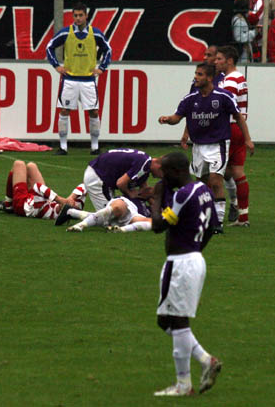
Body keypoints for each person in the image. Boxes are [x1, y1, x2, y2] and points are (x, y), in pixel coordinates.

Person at [150, 152, 222, 397]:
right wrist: (196, 250)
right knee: (165, 320)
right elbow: (212, 227)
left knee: (178, 321)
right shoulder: (203, 190)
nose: (162, 177)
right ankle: (206, 360)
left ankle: (183, 385)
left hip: (181, 264)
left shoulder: (183, 194)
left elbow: (158, 225)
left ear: (177, 171)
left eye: (165, 172)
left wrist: (156, 198)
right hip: (193, 260)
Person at [159, 62, 254, 233]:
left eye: (200, 74)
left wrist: (247, 139)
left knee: (216, 180)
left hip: (218, 145)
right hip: (198, 146)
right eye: (196, 73)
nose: (196, 77)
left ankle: (218, 223)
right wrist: (167, 119)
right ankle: (203, 217)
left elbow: (238, 117)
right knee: (201, 184)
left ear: (210, 78)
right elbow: (177, 117)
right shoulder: (189, 99)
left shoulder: (223, 96)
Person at [46, 2, 112, 155]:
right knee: (64, 111)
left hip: (88, 80)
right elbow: (49, 47)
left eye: (81, 15)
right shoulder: (65, 33)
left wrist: (102, 68)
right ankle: (63, 147)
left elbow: (108, 50)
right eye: (75, 15)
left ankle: (95, 146)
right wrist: (56, 66)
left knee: (93, 112)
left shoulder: (95, 33)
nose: (78, 18)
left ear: (86, 16)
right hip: (70, 79)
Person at [61, 148, 162, 216]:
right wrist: (130, 194)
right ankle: (71, 213)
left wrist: (156, 208)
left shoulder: (145, 162)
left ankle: (72, 213)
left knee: (113, 213)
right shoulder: (144, 164)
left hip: (100, 174)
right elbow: (120, 183)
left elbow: (144, 190)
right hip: (98, 178)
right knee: (110, 216)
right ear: (159, 166)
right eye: (162, 174)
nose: (160, 177)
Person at [215, 46, 252, 226]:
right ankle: (243, 216)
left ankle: (212, 214)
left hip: (228, 128)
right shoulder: (239, 78)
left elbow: (225, 106)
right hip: (238, 128)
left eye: (219, 59)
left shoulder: (230, 81)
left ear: (229, 61)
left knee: (213, 173)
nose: (216, 62)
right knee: (235, 171)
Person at [0, 160, 86, 220]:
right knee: (31, 166)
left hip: (22, 204)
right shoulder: (73, 206)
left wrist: (60, 199)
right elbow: (84, 185)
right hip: (38, 198)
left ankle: (8, 204)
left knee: (19, 164)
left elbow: (38, 187)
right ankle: (9, 203)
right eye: (74, 204)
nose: (73, 203)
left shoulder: (50, 212)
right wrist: (71, 198)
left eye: (70, 205)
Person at [63, 194, 152, 232]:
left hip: (133, 216)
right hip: (127, 204)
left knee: (103, 219)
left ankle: (70, 212)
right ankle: (80, 225)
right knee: (117, 208)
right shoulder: (154, 191)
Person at [231, 0, 256, 64]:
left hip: (244, 52)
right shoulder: (239, 20)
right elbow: (239, 38)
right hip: (242, 54)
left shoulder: (240, 18)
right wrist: (254, 32)